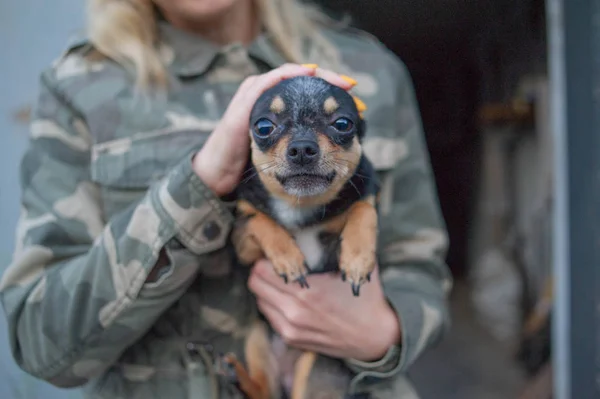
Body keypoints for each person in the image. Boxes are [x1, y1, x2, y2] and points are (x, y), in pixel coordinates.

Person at [0, 0, 453, 398]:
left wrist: (388, 330)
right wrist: (197, 185)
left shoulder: (370, 68)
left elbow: (423, 267)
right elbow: (42, 344)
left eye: (335, 129)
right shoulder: (81, 86)